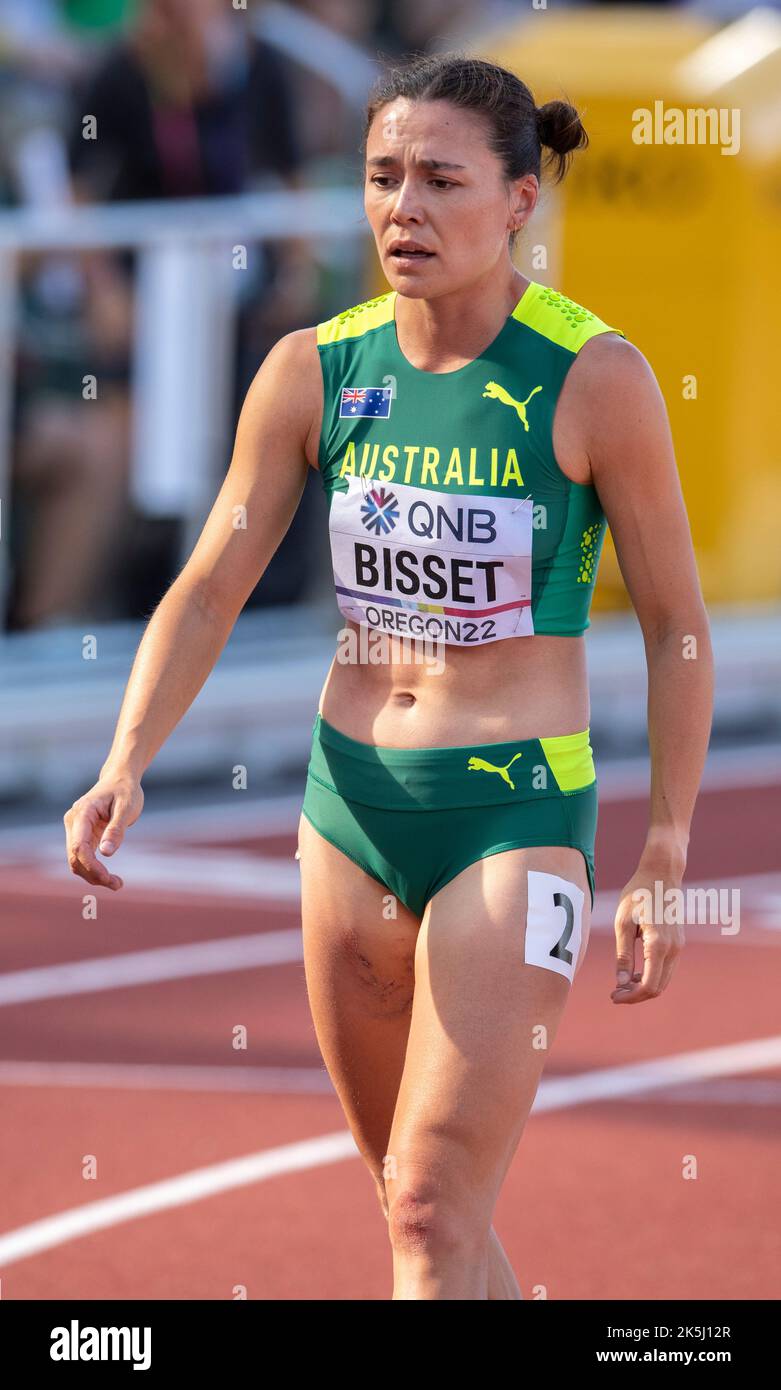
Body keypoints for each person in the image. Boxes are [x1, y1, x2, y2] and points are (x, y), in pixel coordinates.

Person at [64, 53, 714, 1300]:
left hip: (513, 811)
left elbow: (679, 624)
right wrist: (124, 759)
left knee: (427, 1200)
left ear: (520, 200)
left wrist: (669, 842)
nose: (401, 209)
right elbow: (209, 582)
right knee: (423, 1211)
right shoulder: (318, 367)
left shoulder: (595, 379)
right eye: (379, 177)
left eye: (439, 179)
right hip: (347, 808)